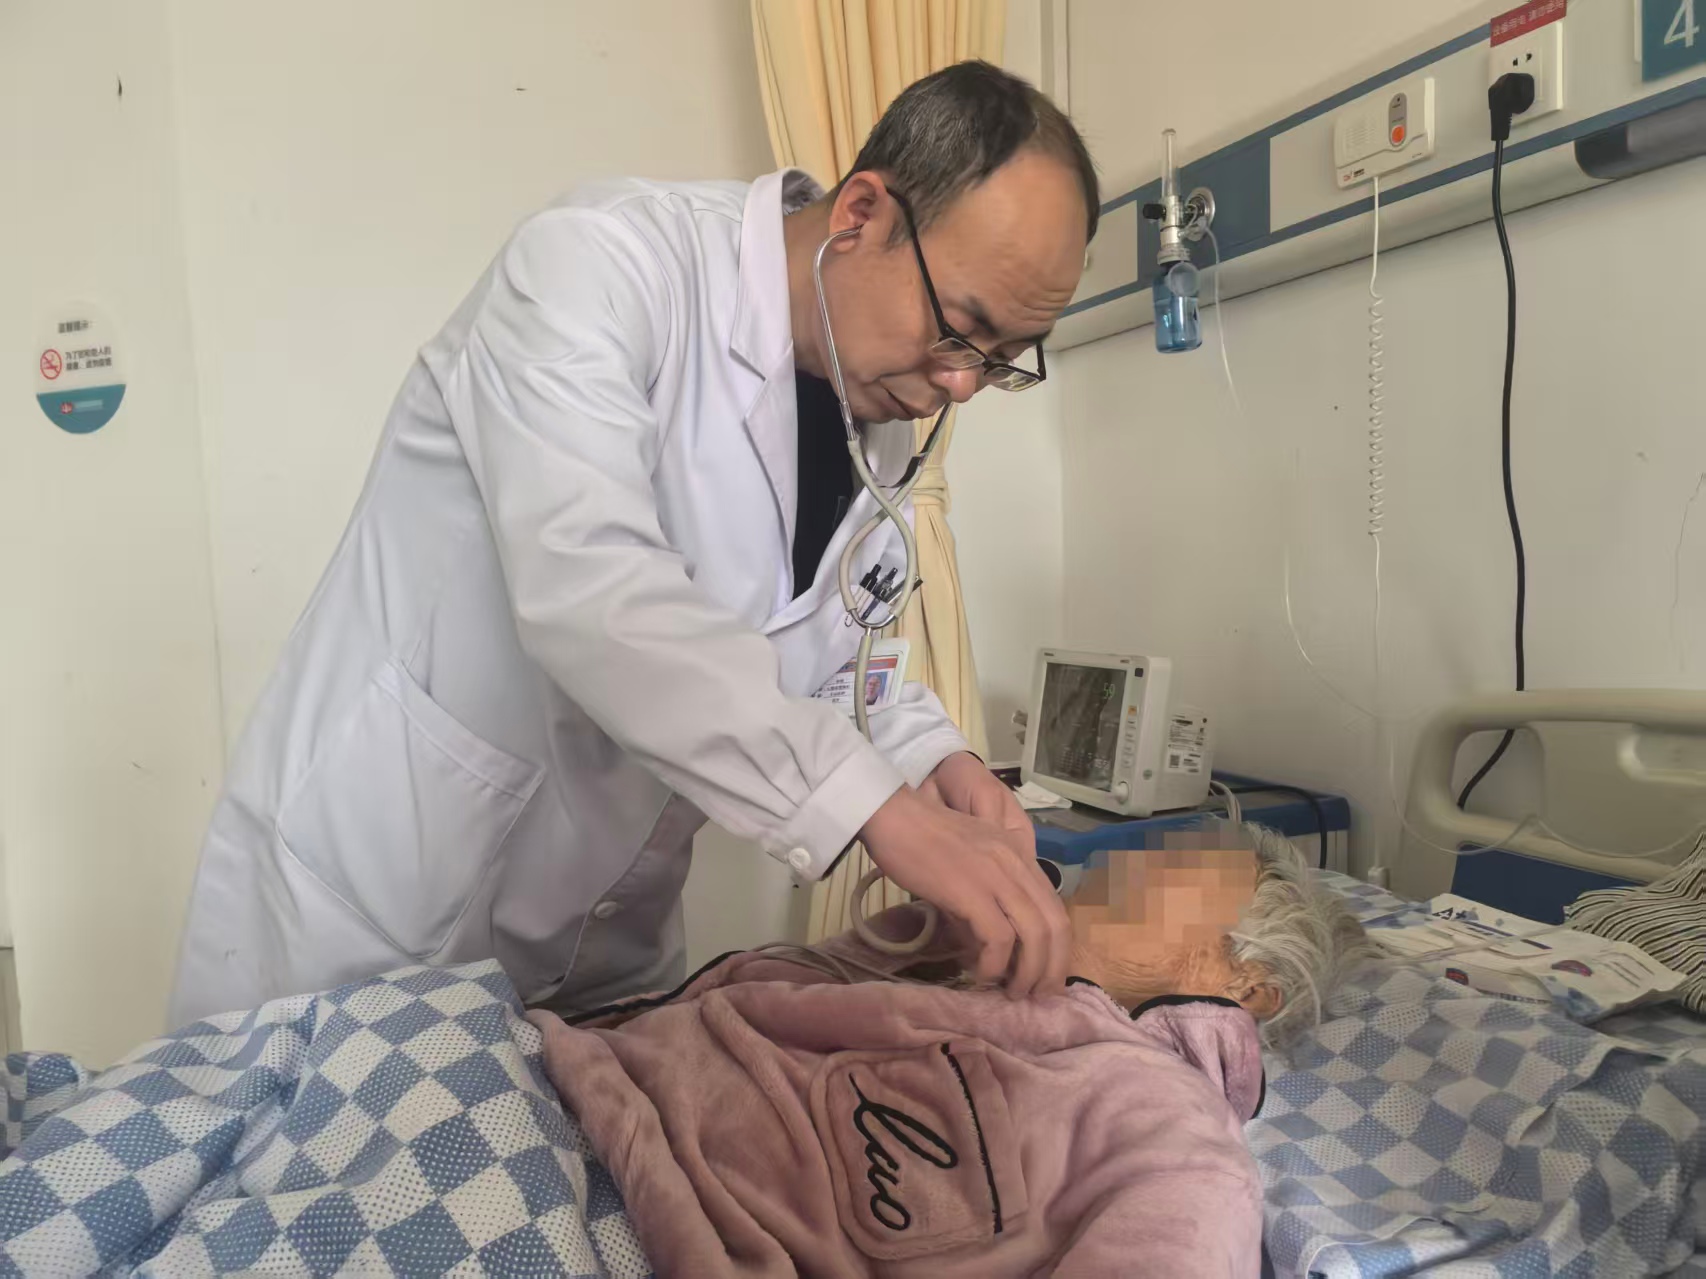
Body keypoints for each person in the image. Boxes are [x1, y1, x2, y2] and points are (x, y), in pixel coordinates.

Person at [168, 61, 1101, 1026]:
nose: (961, 385)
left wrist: (931, 758)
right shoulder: (599, 265)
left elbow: (821, 652)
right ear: (861, 213)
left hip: (606, 944)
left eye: (1002, 361)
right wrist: (873, 810)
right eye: (962, 329)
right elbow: (598, 592)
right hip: (385, 903)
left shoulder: (878, 408)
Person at [527, 824, 1376, 1276]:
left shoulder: (1173, 1136)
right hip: (567, 1071)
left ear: (1242, 981)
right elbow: (757, 993)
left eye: (1173, 870)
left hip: (617, 1214)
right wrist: (926, 932)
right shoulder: (969, 975)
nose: (1123, 863)